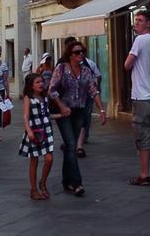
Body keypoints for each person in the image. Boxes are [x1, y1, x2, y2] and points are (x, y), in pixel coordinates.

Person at [49, 40, 106, 197]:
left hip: (79, 111)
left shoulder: (86, 71)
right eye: (77, 52)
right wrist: (61, 106)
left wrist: (101, 109)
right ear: (70, 55)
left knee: (70, 146)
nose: (80, 55)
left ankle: (66, 180)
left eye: (82, 52)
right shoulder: (61, 68)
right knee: (72, 143)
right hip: (64, 112)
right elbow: (52, 90)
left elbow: (93, 90)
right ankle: (76, 182)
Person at [124, 10, 150, 186]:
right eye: (136, 20)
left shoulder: (140, 40)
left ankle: (144, 174)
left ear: (149, 23)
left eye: (140, 20)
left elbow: (127, 65)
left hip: (142, 95)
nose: (136, 23)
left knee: (143, 135)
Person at [19, 73, 55, 201]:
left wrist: (62, 115)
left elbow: (47, 114)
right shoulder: (28, 98)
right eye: (38, 82)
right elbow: (25, 116)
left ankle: (43, 182)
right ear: (31, 86)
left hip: (46, 129)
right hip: (34, 130)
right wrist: (28, 130)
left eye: (42, 82)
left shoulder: (44, 98)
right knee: (34, 161)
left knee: (49, 158)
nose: (41, 84)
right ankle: (33, 189)